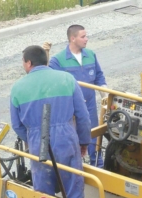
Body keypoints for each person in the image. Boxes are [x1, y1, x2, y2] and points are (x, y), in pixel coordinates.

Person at [10, 45, 98, 198]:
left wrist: (32, 140)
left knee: (43, 191)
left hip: (37, 140)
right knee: (73, 190)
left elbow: (16, 125)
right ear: (46, 61)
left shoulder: (17, 88)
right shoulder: (67, 80)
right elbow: (83, 115)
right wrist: (84, 142)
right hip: (65, 139)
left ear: (29, 63)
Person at [48, 24, 107, 168]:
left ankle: (97, 165)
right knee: (72, 138)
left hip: (90, 106)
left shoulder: (91, 55)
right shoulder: (58, 60)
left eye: (86, 36)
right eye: (83, 36)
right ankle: (75, 168)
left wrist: (104, 93)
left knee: (92, 133)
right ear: (72, 38)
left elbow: (99, 77)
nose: (86, 39)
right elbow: (50, 82)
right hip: (70, 109)